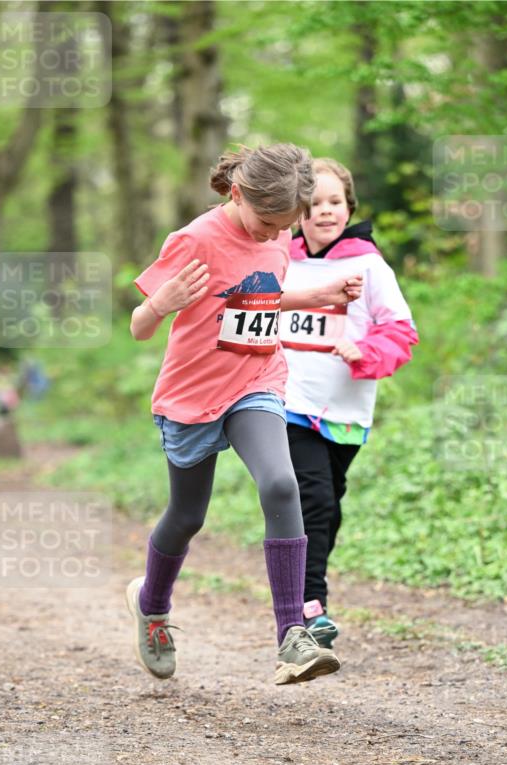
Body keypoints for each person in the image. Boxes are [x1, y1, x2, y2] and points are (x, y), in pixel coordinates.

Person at [127, 144, 363, 685]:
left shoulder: (278, 235)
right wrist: (162, 303)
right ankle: (152, 604)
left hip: (256, 381)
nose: (272, 234)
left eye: (284, 226)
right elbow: (140, 324)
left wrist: (321, 293)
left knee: (281, 484)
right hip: (192, 395)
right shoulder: (195, 240)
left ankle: (291, 636)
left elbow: (261, 299)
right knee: (188, 517)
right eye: (266, 223)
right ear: (237, 193)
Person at [281, 158, 418, 647]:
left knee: (329, 504)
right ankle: (308, 606)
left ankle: (305, 590)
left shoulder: (368, 264)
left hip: (346, 412)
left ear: (349, 206)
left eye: (334, 202)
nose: (324, 212)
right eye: (313, 204)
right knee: (311, 497)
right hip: (289, 403)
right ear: (297, 211)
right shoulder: (283, 259)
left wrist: (364, 351)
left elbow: (402, 332)